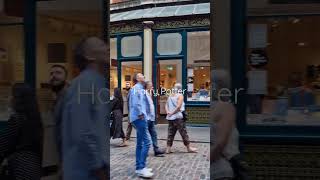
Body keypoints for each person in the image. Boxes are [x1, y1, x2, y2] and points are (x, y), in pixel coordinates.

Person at [59, 37, 109, 180]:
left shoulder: (98, 82)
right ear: (89, 56)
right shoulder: (84, 84)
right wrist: (99, 167)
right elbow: (82, 132)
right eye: (100, 45)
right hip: (86, 172)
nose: (106, 47)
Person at [0, 83, 43, 180]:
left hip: (19, 169)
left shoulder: (17, 118)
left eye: (12, 95)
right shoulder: (36, 119)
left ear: (18, 98)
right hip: (34, 169)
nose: (9, 98)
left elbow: (4, 145)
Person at [211, 70, 245, 180]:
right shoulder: (225, 107)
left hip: (219, 170)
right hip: (220, 171)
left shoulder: (220, 107)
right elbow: (220, 143)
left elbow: (220, 143)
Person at [129, 73, 153, 178]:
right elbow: (136, 103)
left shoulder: (139, 88)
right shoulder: (136, 88)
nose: (144, 76)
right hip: (139, 118)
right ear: (138, 78)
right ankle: (141, 168)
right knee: (147, 142)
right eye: (142, 75)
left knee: (140, 143)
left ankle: (139, 167)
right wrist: (141, 114)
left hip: (139, 118)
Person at [165, 83, 197, 154]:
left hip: (170, 118)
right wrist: (172, 113)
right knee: (183, 133)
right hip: (178, 117)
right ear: (180, 89)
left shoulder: (170, 95)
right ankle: (189, 148)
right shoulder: (180, 95)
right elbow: (179, 107)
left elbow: (166, 105)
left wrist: (168, 112)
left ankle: (168, 148)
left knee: (170, 133)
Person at [145, 81, 166, 157]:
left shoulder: (149, 94)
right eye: (151, 85)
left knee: (154, 134)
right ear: (147, 86)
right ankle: (143, 151)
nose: (152, 87)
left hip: (151, 118)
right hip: (146, 118)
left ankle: (156, 150)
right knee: (144, 136)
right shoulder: (144, 94)